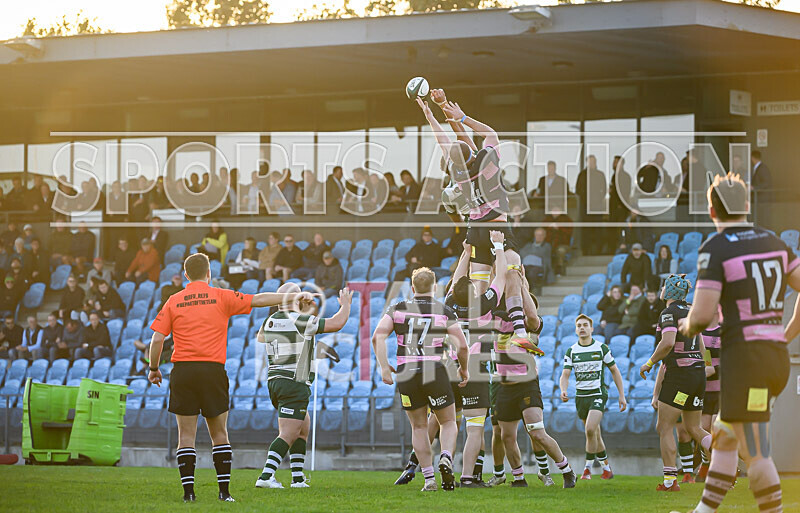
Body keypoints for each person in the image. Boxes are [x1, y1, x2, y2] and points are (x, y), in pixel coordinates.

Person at [146, 252, 311, 503]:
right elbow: (258, 299)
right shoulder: (221, 296)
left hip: (183, 371)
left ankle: (189, 494)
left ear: (186, 275)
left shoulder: (174, 300)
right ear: (209, 273)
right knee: (219, 434)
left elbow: (158, 338)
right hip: (212, 371)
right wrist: (292, 296)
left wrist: (154, 368)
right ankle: (224, 493)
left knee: (185, 437)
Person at [681, 173, 800, 513]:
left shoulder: (715, 248)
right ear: (747, 205)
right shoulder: (775, 242)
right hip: (772, 356)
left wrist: (686, 323)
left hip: (746, 360)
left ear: (711, 211)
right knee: (725, 435)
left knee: (756, 448)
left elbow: (702, 316)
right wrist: (787, 333)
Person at [423, 91, 528, 343]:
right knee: (512, 273)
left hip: (474, 232)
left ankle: (474, 334)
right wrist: (462, 117)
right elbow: (489, 134)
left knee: (478, 287)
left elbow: (447, 143)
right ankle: (521, 329)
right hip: (497, 229)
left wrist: (431, 114)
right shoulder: (486, 162)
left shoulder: (455, 177)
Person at [372, 267, 469, 492]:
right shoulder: (443, 311)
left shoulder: (397, 309)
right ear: (435, 288)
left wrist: (384, 368)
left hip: (407, 372)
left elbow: (378, 336)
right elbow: (462, 345)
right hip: (433, 370)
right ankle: (445, 456)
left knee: (418, 426)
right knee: (447, 422)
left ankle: (429, 479)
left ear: (412, 287)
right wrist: (464, 369)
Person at [255, 286, 353, 489]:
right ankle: (266, 476)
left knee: (302, 428)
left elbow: (261, 338)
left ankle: (298, 479)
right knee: (288, 433)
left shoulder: (269, 320)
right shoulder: (300, 320)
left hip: (275, 380)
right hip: (294, 382)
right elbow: (337, 323)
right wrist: (346, 305)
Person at [493, 281, 577, 489]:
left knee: (536, 431)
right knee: (507, 435)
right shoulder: (498, 320)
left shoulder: (531, 325)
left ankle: (566, 470)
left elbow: (531, 323)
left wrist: (521, 286)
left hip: (526, 385)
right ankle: (519, 478)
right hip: (504, 387)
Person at [444, 232, 508, 487]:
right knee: (474, 428)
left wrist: (466, 250)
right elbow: (501, 276)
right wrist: (499, 247)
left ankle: (437, 461)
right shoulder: (482, 305)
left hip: (450, 369)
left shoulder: (449, 304)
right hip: (475, 370)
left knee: (447, 424)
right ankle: (468, 477)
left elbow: (456, 279)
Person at [639, 274, 711, 492]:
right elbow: (701, 343)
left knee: (664, 426)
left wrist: (649, 362)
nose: (661, 289)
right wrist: (705, 366)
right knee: (693, 427)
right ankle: (726, 463)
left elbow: (668, 342)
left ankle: (670, 482)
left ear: (669, 291)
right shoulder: (691, 311)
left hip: (680, 375)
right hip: (698, 374)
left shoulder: (668, 313)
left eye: (663, 286)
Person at [560, 314, 627, 480]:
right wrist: (563, 389)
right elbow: (565, 374)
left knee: (589, 429)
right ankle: (606, 468)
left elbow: (615, 371)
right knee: (594, 434)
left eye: (585, 325)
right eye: (579, 326)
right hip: (581, 396)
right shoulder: (572, 351)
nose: (582, 328)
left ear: (591, 328)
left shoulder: (601, 348)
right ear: (575, 330)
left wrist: (621, 395)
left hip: (598, 394)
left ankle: (587, 469)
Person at [695, 308, 721, 483]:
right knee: (703, 429)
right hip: (704, 390)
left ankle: (720, 469)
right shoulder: (700, 332)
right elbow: (706, 361)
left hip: (722, 390)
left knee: (716, 429)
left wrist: (714, 370)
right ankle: (706, 463)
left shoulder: (724, 331)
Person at [544, 207, 573, 276]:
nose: (555, 212)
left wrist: (559, 228)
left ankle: (559, 269)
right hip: (548, 243)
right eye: (553, 210)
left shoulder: (566, 219)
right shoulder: (547, 219)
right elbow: (542, 231)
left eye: (557, 210)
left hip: (563, 244)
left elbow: (569, 233)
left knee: (560, 250)